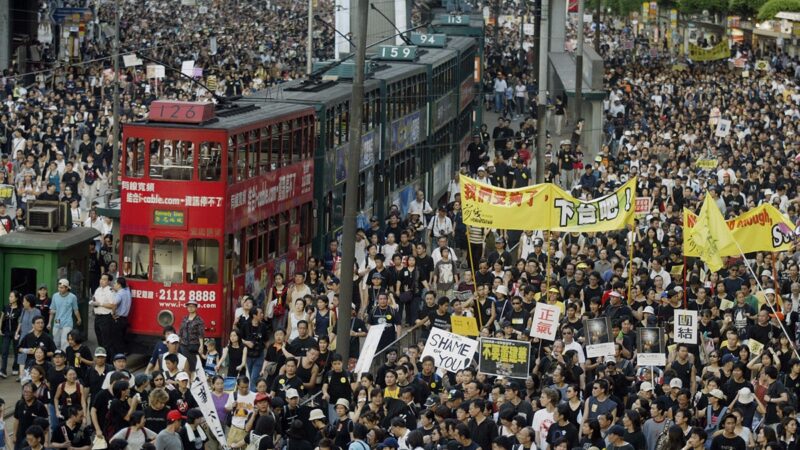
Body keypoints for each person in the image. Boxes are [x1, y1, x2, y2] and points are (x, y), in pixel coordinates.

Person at [12, 383, 48, 450]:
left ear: (34, 393)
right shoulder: (19, 404)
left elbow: (45, 426)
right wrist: (14, 435)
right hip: (20, 437)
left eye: (28, 392)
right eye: (24, 391)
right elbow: (16, 420)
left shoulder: (40, 406)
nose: (26, 394)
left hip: (33, 439)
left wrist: (45, 441)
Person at [48, 278, 81, 350]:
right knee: (56, 342)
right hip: (57, 321)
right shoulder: (55, 296)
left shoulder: (72, 297)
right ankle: (57, 358)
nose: (59, 289)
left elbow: (76, 310)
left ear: (67, 288)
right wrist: (49, 323)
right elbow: (52, 310)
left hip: (67, 322)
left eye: (62, 288)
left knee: (65, 342)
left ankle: (64, 359)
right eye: (59, 287)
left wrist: (79, 319)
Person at [177, 299, 204, 373]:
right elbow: (181, 331)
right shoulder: (185, 318)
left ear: (196, 308)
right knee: (184, 364)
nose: (190, 308)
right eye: (189, 306)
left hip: (194, 346)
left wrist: (201, 346)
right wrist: (178, 342)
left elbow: (201, 334)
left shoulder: (199, 320)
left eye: (192, 306)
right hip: (183, 345)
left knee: (193, 365)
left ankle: (192, 379)